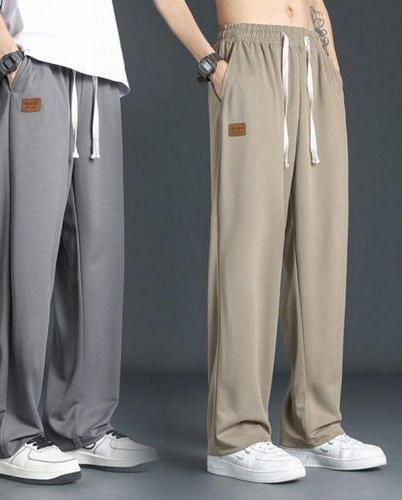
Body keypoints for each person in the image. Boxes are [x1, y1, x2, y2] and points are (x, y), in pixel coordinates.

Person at [154, 0, 387, 483]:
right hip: (250, 59)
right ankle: (235, 435)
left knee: (321, 249)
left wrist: (330, 64)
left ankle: (315, 427)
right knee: (248, 248)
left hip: (313, 62)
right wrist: (211, 63)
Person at [0, 0, 157, 485]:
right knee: (24, 255)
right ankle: (5, 435)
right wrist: (9, 56)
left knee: (96, 260)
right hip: (33, 62)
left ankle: (81, 424)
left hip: (100, 71)